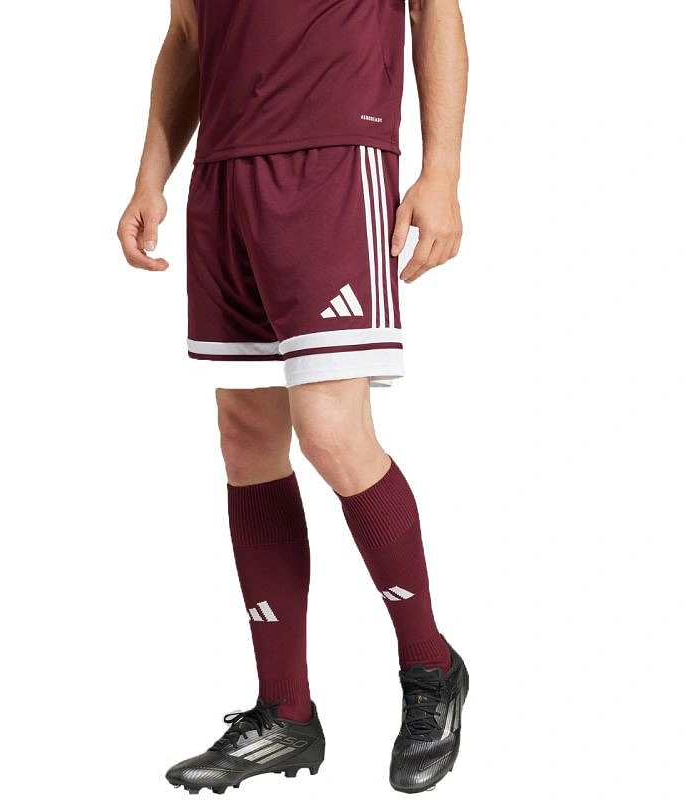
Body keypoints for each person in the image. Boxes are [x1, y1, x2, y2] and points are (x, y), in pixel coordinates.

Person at [117, 0, 469, 793]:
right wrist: (151, 176)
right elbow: (186, 35)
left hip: (335, 159)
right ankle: (285, 711)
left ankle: (430, 666)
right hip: (224, 170)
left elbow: (433, 9)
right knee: (245, 436)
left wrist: (442, 171)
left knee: (332, 433)